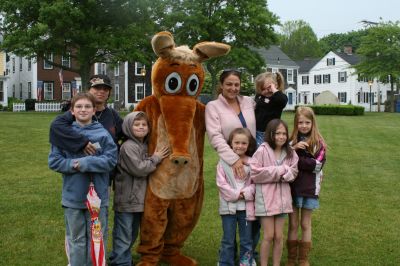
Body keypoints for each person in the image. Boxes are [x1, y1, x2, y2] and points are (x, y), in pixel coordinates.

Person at [48, 92, 118, 265]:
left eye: (87, 106)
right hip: (73, 197)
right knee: (76, 238)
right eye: (78, 106)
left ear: (94, 110)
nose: (83, 110)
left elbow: (111, 160)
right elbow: (54, 161)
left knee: (96, 238)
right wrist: (73, 165)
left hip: (97, 198)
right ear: (72, 111)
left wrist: (86, 162)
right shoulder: (64, 134)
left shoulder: (102, 134)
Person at [205, 69, 257, 265]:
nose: (233, 88)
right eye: (229, 84)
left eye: (236, 84)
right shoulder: (213, 106)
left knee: (253, 216)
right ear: (221, 85)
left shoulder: (249, 102)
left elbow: (273, 105)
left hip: (252, 161)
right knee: (230, 226)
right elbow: (215, 137)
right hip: (230, 163)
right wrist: (234, 159)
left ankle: (247, 257)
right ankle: (227, 259)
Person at [109, 111, 169, 266]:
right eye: (136, 125)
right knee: (124, 232)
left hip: (138, 199)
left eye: (144, 124)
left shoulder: (143, 145)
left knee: (133, 231)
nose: (141, 127)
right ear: (129, 127)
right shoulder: (128, 147)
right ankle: (120, 261)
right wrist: (156, 158)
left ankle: (121, 256)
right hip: (127, 198)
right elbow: (139, 169)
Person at [250, 119, 298, 266]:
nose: (281, 137)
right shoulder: (262, 150)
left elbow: (294, 172)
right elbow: (255, 173)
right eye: (278, 133)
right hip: (265, 200)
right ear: (270, 134)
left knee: (279, 236)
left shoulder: (290, 152)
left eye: (284, 133)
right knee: (269, 236)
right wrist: (280, 170)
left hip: (283, 200)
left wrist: (286, 173)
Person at [285, 107, 327, 266]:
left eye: (307, 122)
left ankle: (303, 259)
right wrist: (294, 150)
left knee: (305, 224)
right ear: (296, 123)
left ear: (312, 123)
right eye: (300, 122)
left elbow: (317, 166)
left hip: (310, 189)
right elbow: (284, 161)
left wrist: (298, 160)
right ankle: (291, 258)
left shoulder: (318, 143)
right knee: (293, 224)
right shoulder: (291, 142)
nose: (303, 125)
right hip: (293, 189)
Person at [49, 74, 124, 157]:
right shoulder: (79, 113)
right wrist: (82, 143)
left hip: (109, 163)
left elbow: (127, 134)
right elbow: (56, 126)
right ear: (88, 90)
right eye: (97, 87)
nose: (102, 91)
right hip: (81, 164)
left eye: (106, 89)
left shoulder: (113, 114)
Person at [216, 128, 256, 266]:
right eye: (237, 142)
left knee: (246, 240)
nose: (240, 146)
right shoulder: (223, 162)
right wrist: (236, 194)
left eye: (243, 143)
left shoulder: (252, 163)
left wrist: (245, 193)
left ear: (248, 145)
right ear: (231, 144)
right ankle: (225, 262)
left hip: (246, 209)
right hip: (228, 208)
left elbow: (256, 184)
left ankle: (246, 263)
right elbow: (221, 184)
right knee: (228, 239)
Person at [254, 71, 288, 147]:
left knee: (270, 152)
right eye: (263, 89)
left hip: (271, 133)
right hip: (257, 132)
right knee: (258, 152)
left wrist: (274, 89)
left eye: (269, 87)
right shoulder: (259, 97)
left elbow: (283, 100)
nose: (266, 91)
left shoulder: (277, 99)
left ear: (276, 86)